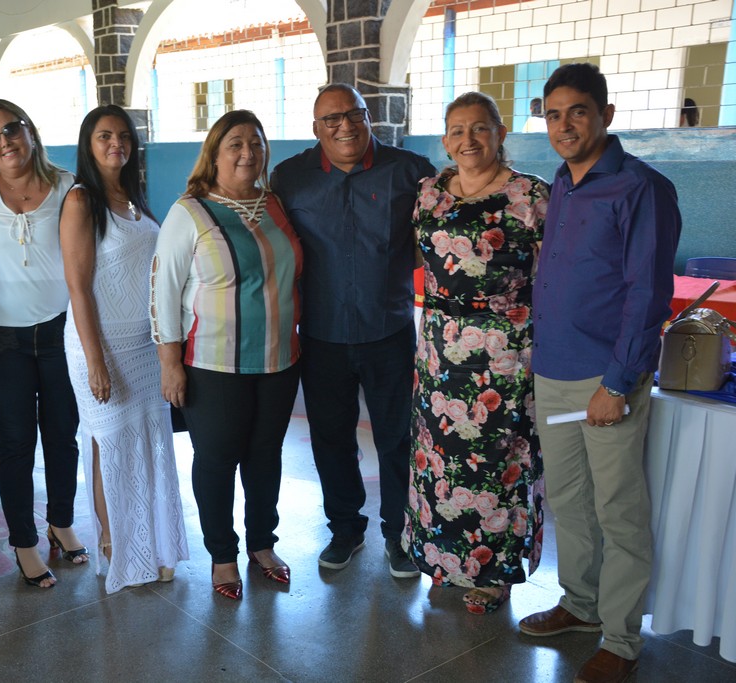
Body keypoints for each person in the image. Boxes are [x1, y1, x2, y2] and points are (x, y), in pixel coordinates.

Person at [519, 63, 681, 683]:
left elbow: (647, 294)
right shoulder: (562, 183)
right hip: (553, 368)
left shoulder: (641, 188)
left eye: (578, 112)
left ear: (606, 115)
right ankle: (580, 604)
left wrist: (617, 383)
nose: (564, 126)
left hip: (607, 377)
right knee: (569, 500)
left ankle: (621, 638)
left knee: (618, 509)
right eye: (554, 115)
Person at [270, 84, 435, 578]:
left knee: (397, 438)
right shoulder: (290, 177)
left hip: (389, 331)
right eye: (332, 119)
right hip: (322, 334)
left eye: (355, 114)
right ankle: (345, 529)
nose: (345, 126)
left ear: (369, 116)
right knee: (331, 439)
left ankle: (399, 533)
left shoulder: (411, 171)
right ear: (316, 128)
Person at [402, 92, 548, 615]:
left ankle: (494, 573)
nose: (469, 139)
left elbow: (553, 273)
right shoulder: (430, 193)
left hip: (504, 352)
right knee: (440, 455)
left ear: (501, 134)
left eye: (480, 128)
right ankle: (444, 559)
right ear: (446, 141)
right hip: (439, 347)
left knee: (497, 460)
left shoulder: (530, 195)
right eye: (458, 130)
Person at [152, 110, 302, 601]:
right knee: (217, 460)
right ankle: (222, 555)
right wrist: (170, 362)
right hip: (213, 364)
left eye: (256, 143)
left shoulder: (274, 203)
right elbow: (163, 291)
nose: (247, 153)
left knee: (266, 457)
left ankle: (262, 544)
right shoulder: (189, 212)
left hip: (279, 359)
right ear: (214, 154)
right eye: (235, 143)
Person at [60, 104, 189, 593]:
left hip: (142, 343)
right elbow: (78, 288)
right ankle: (115, 544)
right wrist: (96, 361)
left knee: (148, 442)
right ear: (88, 145)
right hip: (100, 344)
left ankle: (152, 543)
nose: (116, 143)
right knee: (108, 442)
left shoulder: (134, 198)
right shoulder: (81, 200)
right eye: (104, 136)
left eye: (124, 136)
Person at [0, 99, 88, 589]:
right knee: (15, 443)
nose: (4, 142)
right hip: (0, 340)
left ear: (30, 132)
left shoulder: (68, 187)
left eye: (11, 129)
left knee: (62, 435)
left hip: (59, 331)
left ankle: (61, 521)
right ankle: (24, 542)